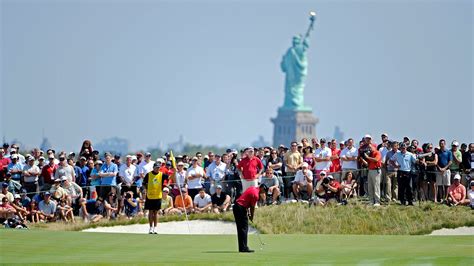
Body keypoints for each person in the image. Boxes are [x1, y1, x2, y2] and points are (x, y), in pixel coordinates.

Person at [232, 185, 264, 253]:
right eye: (264, 191)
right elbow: (252, 207)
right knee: (244, 228)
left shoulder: (252, 188)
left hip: (237, 207)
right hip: (240, 208)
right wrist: (251, 217)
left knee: (240, 229)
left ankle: (241, 247)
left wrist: (248, 214)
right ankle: (244, 248)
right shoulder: (256, 195)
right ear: (261, 189)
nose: (263, 193)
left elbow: (248, 202)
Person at [143, 162, 168, 234]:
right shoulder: (148, 174)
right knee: (150, 212)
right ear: (153, 167)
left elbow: (169, 177)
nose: (157, 169)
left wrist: (174, 171)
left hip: (158, 195)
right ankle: (151, 227)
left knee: (156, 212)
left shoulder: (161, 174)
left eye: (158, 167)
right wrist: (145, 189)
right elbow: (144, 183)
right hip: (150, 196)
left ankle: (155, 228)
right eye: (156, 167)